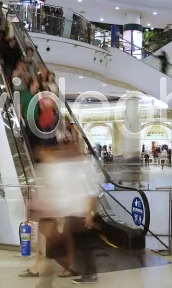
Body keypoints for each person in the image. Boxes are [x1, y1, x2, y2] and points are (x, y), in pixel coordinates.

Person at [34, 119, 99, 286]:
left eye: (68, 143)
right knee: (69, 243)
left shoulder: (82, 166)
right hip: (69, 210)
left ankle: (86, 273)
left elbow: (91, 191)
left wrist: (90, 213)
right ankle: (71, 270)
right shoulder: (63, 165)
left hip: (78, 211)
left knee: (80, 244)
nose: (65, 147)